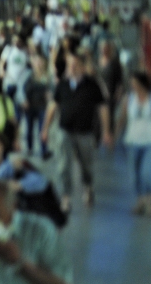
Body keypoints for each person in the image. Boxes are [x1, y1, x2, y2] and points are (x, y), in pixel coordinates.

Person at [42, 51, 112, 212]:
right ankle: (66, 196)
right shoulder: (62, 85)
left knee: (86, 164)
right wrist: (45, 128)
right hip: (64, 130)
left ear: (82, 67)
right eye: (69, 65)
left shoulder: (92, 85)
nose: (72, 68)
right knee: (63, 165)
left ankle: (88, 186)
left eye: (75, 65)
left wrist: (106, 131)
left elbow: (102, 109)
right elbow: (53, 107)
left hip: (85, 132)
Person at [116, 72, 151, 216]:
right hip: (133, 141)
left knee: (146, 172)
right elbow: (122, 118)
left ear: (142, 84)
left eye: (135, 83)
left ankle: (150, 200)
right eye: (131, 83)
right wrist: (113, 135)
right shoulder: (128, 99)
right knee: (134, 174)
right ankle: (140, 200)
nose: (132, 86)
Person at [17, 53, 54, 158]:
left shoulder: (47, 76)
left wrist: (50, 97)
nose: (38, 64)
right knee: (29, 128)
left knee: (43, 128)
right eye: (36, 61)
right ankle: (29, 148)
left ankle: (44, 150)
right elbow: (20, 88)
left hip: (42, 106)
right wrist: (23, 100)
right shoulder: (27, 74)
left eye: (40, 61)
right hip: (29, 106)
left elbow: (52, 90)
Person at [0, 33, 29, 120]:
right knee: (8, 106)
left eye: (18, 41)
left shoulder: (26, 51)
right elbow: (1, 62)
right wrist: (1, 71)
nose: (16, 43)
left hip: (21, 84)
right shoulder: (9, 49)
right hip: (9, 82)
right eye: (14, 41)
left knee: (18, 109)